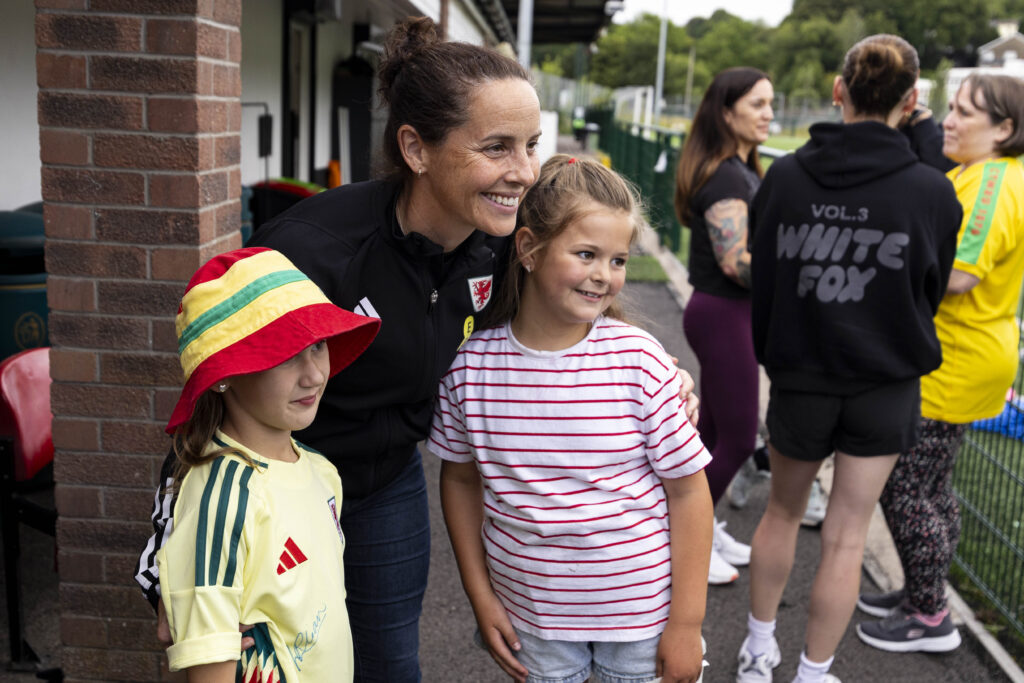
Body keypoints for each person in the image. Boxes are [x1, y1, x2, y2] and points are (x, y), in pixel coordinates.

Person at [133, 17, 700, 681]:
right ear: (416, 147)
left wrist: (661, 377)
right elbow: (216, 376)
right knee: (279, 660)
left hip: (385, 483)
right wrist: (175, 552)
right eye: (497, 147)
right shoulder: (313, 252)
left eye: (531, 145)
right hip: (278, 485)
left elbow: (579, 308)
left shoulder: (506, 244)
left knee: (390, 664)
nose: (523, 173)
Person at [431, 155, 713, 683]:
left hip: (640, 620)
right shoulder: (470, 367)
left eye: (619, 260)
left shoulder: (641, 361)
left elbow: (689, 492)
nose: (604, 276)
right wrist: (480, 595)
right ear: (529, 249)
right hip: (531, 619)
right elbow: (461, 480)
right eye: (587, 254)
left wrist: (687, 623)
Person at [740, 34, 962, 683]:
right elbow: (931, 288)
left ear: (838, 91)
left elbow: (768, 283)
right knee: (845, 533)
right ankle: (813, 671)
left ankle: (758, 653)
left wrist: (778, 357)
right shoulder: (932, 190)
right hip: (885, 383)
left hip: (802, 376)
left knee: (781, 512)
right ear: (912, 100)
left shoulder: (782, 176)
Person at [156, 247, 380, 681]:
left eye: (317, 346)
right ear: (222, 374)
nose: (314, 374)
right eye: (284, 353)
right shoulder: (220, 499)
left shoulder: (321, 472)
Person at [856, 73, 1024, 653]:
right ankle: (922, 592)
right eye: (949, 108)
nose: (947, 120)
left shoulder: (995, 184)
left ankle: (929, 616)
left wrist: (882, 268)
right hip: (964, 353)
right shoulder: (984, 174)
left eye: (964, 113)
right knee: (930, 485)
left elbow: (960, 275)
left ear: (1005, 129)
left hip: (955, 357)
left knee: (902, 484)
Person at [674, 67, 774, 584]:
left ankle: (703, 523)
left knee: (711, 432)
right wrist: (796, 268)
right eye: (758, 104)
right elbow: (736, 262)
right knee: (737, 436)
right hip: (721, 313)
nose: (769, 114)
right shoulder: (728, 176)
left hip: (725, 313)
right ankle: (683, 538)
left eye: (770, 103)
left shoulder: (739, 167)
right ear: (727, 110)